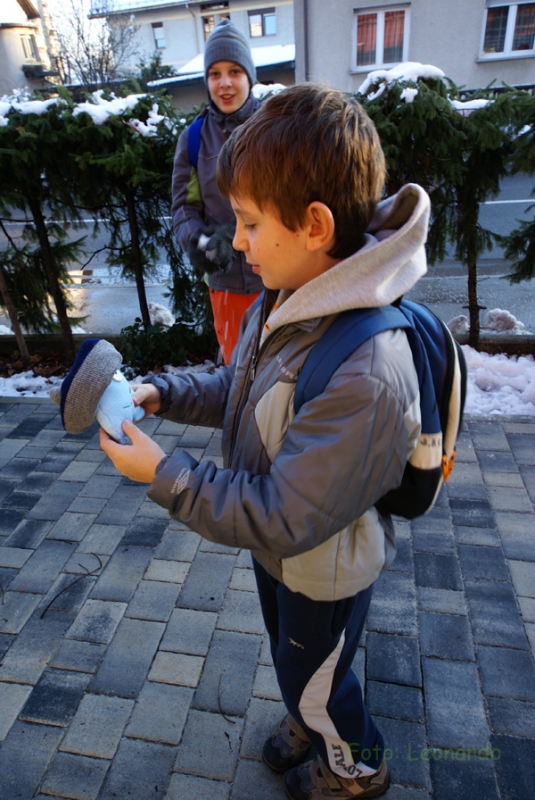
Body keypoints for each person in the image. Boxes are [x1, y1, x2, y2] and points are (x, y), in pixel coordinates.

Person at [101, 83, 430, 799]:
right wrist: (170, 393)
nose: (237, 240)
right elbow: (244, 385)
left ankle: (355, 765)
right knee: (297, 660)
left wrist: (163, 474)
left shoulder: (368, 371)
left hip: (322, 562)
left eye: (249, 222)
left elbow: (285, 512)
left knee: (317, 675)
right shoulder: (289, 293)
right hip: (281, 552)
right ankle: (308, 713)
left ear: (313, 225)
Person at [171, 17, 264, 364]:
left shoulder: (275, 128)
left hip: (277, 277)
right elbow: (184, 208)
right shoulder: (193, 139)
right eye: (215, 73)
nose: (224, 83)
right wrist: (199, 241)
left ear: (249, 76)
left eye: (234, 71)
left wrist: (243, 230)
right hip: (226, 285)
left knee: (283, 369)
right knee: (236, 369)